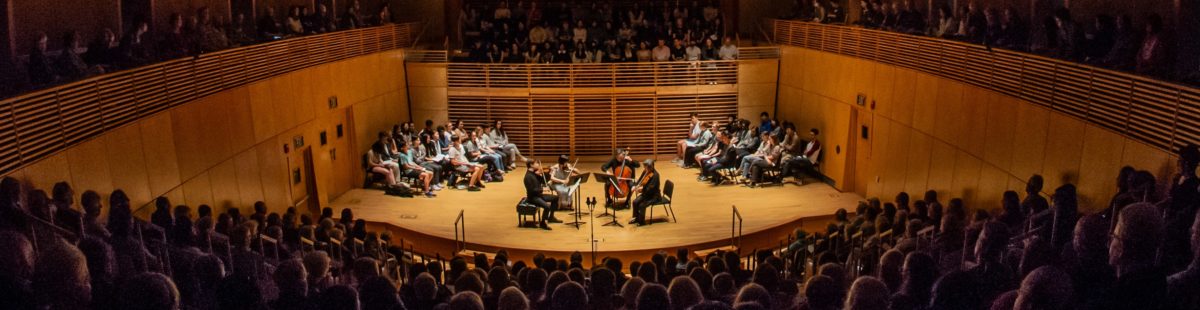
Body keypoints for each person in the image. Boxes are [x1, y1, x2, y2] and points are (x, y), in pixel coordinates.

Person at [524, 159, 561, 230]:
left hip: (538, 195)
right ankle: (543, 223)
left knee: (555, 198)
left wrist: (549, 172)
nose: (538, 165)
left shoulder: (534, 174)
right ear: (531, 165)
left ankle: (551, 217)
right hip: (532, 198)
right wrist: (543, 189)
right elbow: (532, 191)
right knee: (547, 207)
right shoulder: (528, 177)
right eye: (536, 163)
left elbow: (544, 181)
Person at [629, 159, 662, 226]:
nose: (645, 169)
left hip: (654, 196)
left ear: (651, 167)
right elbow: (640, 180)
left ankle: (642, 222)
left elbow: (650, 189)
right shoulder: (646, 171)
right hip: (646, 194)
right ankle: (636, 218)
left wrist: (641, 190)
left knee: (642, 205)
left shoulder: (655, 175)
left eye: (646, 167)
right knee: (635, 202)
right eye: (645, 167)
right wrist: (635, 186)